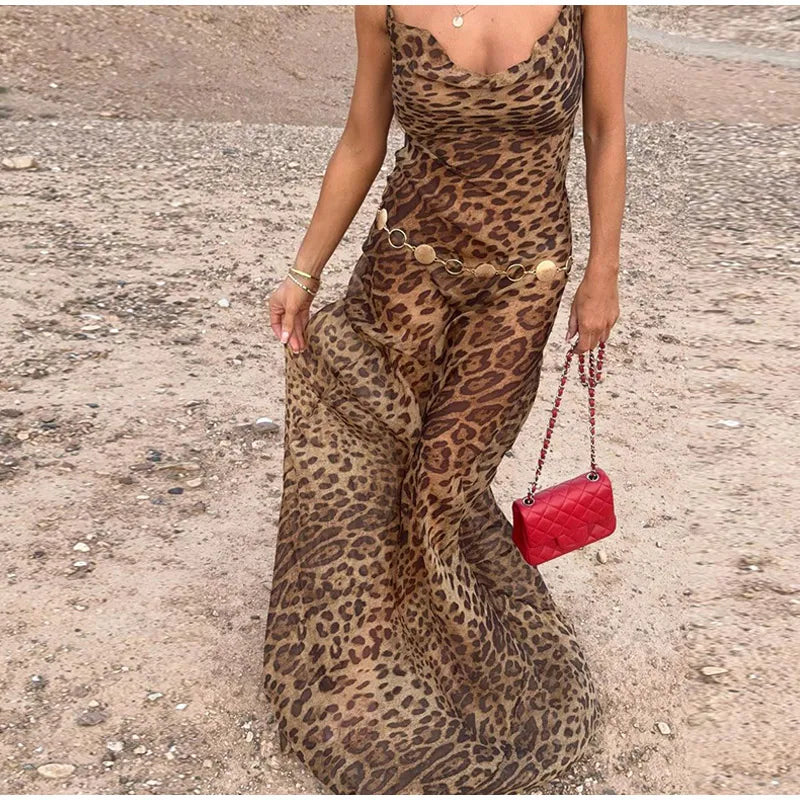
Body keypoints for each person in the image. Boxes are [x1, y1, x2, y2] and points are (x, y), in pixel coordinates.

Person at [262, 3, 625, 793]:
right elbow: (362, 139)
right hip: (406, 264)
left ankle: (481, 665)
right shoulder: (384, 6)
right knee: (380, 455)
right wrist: (303, 273)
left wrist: (603, 272)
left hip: (526, 278)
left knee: (444, 481)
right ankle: (374, 653)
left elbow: (605, 129)